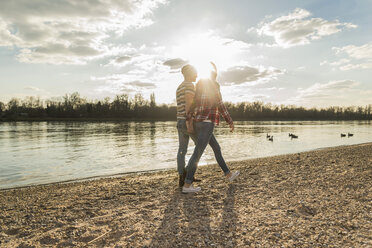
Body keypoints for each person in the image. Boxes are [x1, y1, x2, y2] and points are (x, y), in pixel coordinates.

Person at [182, 62, 240, 193]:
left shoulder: (199, 85)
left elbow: (193, 104)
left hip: (198, 122)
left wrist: (189, 119)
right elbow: (221, 105)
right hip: (208, 123)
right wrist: (230, 121)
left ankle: (228, 174)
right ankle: (187, 184)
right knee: (198, 152)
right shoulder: (214, 86)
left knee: (216, 148)